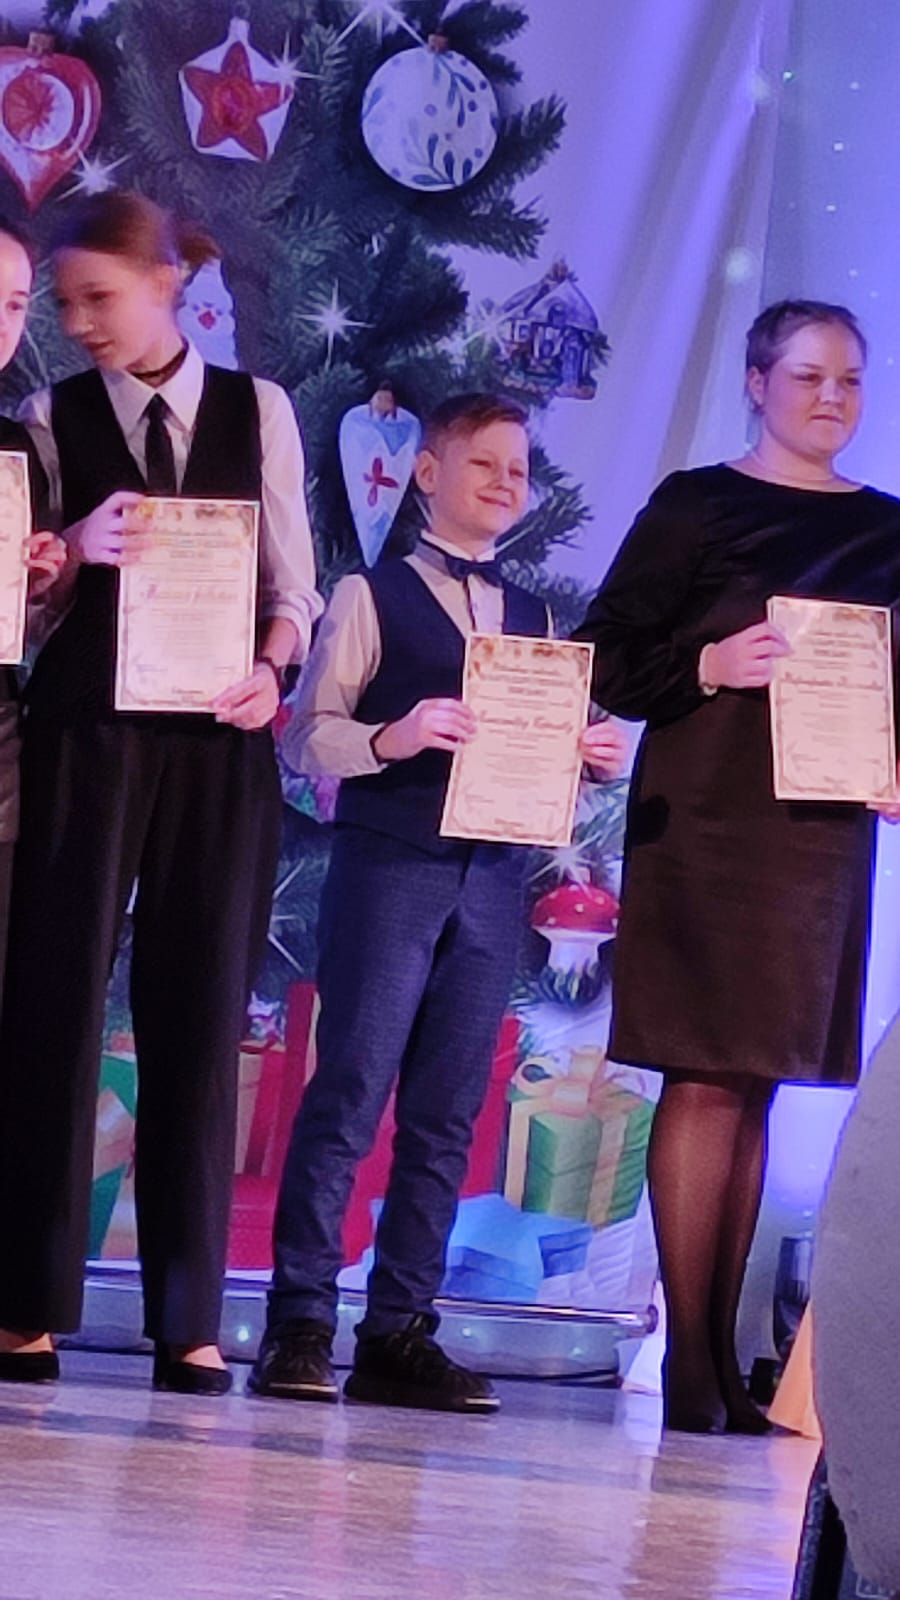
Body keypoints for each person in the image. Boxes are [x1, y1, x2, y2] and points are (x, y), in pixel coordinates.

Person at [249, 392, 628, 1414]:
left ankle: (399, 1329)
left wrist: (589, 757)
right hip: (391, 865)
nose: (506, 484)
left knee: (449, 1110)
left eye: (520, 470)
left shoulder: (535, 620)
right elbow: (306, 736)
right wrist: (394, 736)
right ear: (427, 473)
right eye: (484, 464)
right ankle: (299, 1322)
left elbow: (535, 751)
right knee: (350, 1090)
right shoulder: (369, 594)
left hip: (493, 879)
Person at [0, 191, 321, 1393]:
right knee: (56, 1007)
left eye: (99, 297)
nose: (79, 322)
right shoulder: (53, 415)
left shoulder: (258, 409)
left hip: (216, 745)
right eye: (64, 302)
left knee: (199, 1010)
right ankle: (25, 1302)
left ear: (167, 283)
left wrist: (272, 669)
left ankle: (188, 1315)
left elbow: (294, 584)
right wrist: (68, 553)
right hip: (85, 736)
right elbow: (24, 605)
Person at [573, 300, 900, 1434]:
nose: (831, 398)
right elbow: (606, 654)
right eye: (808, 376)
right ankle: (691, 1368)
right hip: (707, 824)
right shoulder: (699, 504)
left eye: (849, 379)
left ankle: (716, 1358)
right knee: (706, 1078)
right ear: (758, 383)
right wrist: (709, 662)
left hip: (816, 839)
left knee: (755, 1083)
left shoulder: (889, 529)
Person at [0, 217, 66, 1006]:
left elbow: (30, 621)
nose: (2, 322)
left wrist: (41, 578)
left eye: (17, 305)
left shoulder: (16, 450)